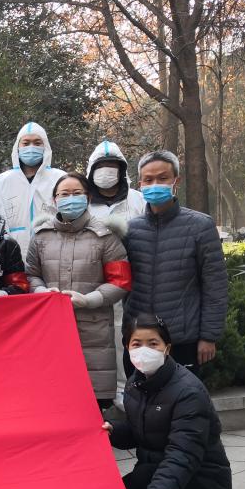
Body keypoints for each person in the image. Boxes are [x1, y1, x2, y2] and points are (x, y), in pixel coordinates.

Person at [103, 313, 232, 489]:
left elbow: (182, 457)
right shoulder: (136, 383)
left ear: (167, 348)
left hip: (204, 481)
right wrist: (112, 431)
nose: (145, 350)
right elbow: (141, 432)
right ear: (127, 348)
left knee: (149, 481)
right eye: (137, 344)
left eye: (153, 343)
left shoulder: (188, 392)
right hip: (159, 470)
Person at [25, 173, 132, 409]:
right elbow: (31, 274)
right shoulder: (41, 237)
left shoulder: (106, 236)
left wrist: (90, 300)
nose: (70, 199)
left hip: (94, 328)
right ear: (54, 200)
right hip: (50, 326)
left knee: (93, 401)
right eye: (64, 194)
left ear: (88, 198)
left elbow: (120, 281)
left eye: (77, 193)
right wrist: (41, 291)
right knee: (53, 396)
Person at [123, 150, 228, 374]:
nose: (155, 185)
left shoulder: (200, 226)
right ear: (140, 184)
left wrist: (209, 336)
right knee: (138, 396)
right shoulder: (131, 230)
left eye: (163, 178)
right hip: (139, 341)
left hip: (183, 340)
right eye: (148, 180)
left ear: (176, 181)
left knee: (184, 396)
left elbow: (215, 286)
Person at [85, 140, 145, 410]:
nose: (107, 171)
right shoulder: (83, 202)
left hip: (132, 280)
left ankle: (126, 388)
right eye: (101, 166)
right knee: (97, 339)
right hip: (93, 281)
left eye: (112, 165)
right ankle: (98, 391)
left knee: (127, 335)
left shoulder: (138, 200)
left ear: (122, 169)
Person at [0, 121, 66, 255]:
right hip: (12, 254)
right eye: (26, 143)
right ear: (17, 147)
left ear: (45, 146)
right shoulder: (1, 182)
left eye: (37, 143)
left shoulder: (60, 179)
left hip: (53, 254)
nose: (31, 147)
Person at [85, 141, 146, 223]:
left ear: (121, 171)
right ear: (91, 171)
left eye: (111, 166)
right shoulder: (83, 203)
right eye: (99, 166)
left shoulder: (140, 200)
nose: (105, 171)